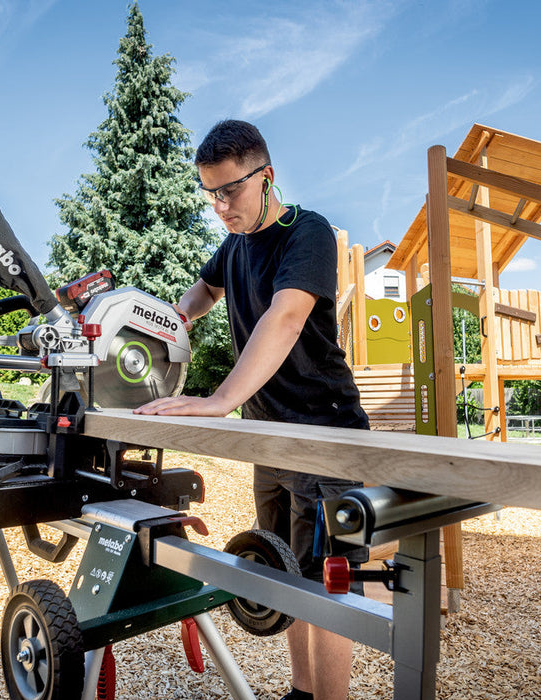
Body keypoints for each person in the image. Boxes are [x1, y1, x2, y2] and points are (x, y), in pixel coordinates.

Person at [135, 119, 369, 700]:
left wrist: (219, 401)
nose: (219, 205)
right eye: (210, 193)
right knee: (287, 573)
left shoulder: (306, 233)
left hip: (324, 435)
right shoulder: (234, 243)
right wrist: (168, 321)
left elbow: (285, 318)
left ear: (266, 177)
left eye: (230, 190)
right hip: (270, 438)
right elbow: (204, 292)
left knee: (329, 589)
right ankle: (301, 691)